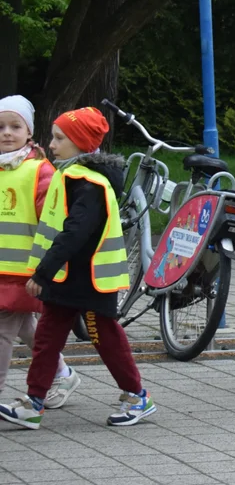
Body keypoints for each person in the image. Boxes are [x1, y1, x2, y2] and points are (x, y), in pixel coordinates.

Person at [0, 107, 154, 429]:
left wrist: (42, 272)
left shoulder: (89, 183)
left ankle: (137, 395)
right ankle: (34, 401)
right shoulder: (69, 176)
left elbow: (75, 233)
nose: (52, 145)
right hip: (67, 277)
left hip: (90, 279)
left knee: (105, 337)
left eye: (59, 139)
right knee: (46, 338)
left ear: (81, 143)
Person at [0, 96, 78, 408]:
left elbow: (52, 219)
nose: (7, 132)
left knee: (4, 332)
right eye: (1, 126)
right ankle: (62, 372)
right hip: (6, 269)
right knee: (27, 328)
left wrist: (47, 266)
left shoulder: (40, 171)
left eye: (15, 126)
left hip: (24, 270)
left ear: (29, 132)